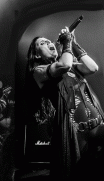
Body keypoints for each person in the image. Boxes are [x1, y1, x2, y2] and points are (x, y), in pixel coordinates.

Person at [25, 26, 104, 180]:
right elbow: (63, 65)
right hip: (77, 135)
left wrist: (73, 43)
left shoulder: (72, 65)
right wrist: (66, 44)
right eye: (42, 43)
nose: (48, 43)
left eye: (48, 41)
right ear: (35, 55)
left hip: (97, 126)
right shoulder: (39, 71)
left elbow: (93, 67)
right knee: (80, 174)